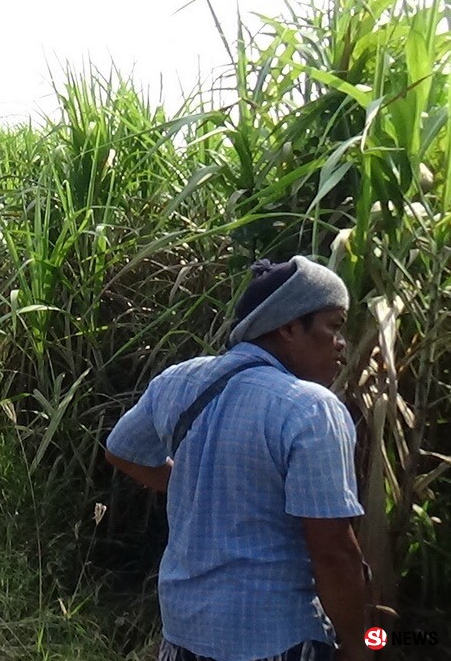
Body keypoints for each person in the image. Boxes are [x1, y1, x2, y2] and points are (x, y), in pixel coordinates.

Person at [105, 257, 372, 661]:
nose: (341, 343)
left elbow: (121, 449)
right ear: (288, 326)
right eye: (333, 326)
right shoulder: (311, 408)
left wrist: (192, 483)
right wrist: (358, 646)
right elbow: (334, 554)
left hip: (183, 635)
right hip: (276, 639)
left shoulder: (179, 380)